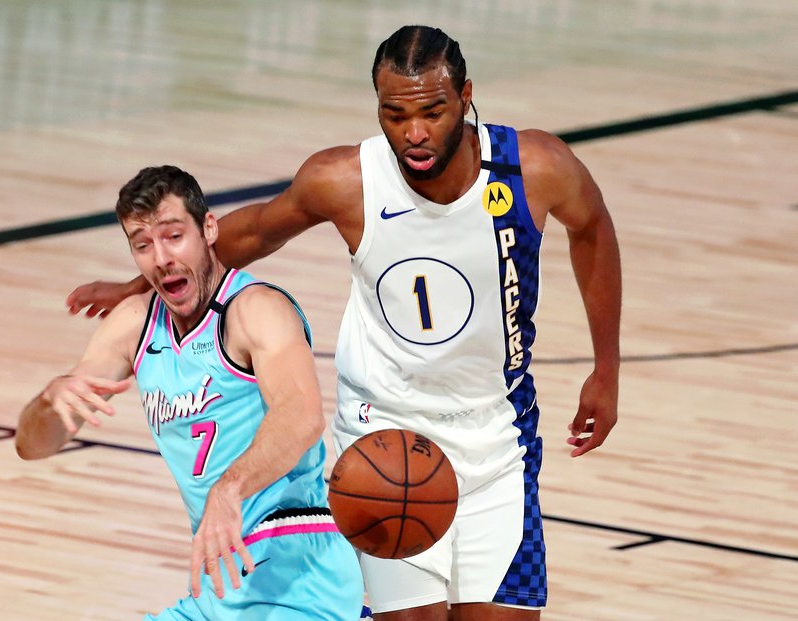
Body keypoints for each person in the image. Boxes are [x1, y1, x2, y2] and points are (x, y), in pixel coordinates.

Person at [67, 25, 621, 621]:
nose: (414, 133)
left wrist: (606, 370)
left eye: (432, 112)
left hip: (499, 442)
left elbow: (593, 230)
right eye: (394, 113)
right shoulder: (346, 180)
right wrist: (140, 282)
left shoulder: (532, 166)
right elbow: (247, 233)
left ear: (465, 96)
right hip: (381, 441)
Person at [17, 165, 365, 620]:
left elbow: (302, 416)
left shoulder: (254, 309)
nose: (160, 258)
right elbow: (33, 445)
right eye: (143, 246)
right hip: (219, 577)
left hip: (299, 566)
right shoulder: (133, 323)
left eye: (173, 236)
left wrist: (229, 489)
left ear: (209, 229)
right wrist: (50, 399)